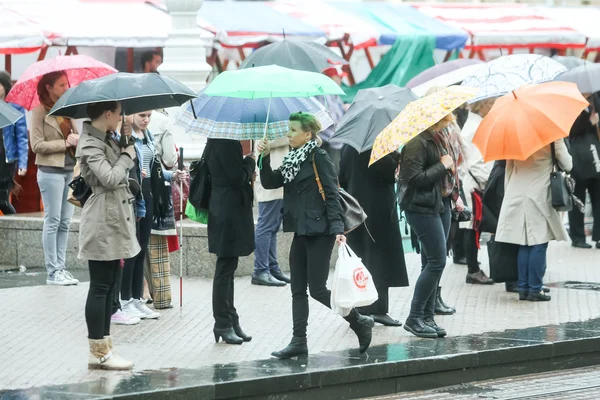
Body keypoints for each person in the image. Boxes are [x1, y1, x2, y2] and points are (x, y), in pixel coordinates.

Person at [258, 112, 374, 358]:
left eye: (292, 130)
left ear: (307, 133)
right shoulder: (292, 160)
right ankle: (299, 341)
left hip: (320, 232)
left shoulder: (318, 157)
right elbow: (270, 182)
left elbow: (332, 194)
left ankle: (359, 322)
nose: (288, 134)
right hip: (300, 231)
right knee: (297, 289)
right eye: (288, 129)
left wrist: (338, 231)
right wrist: (264, 156)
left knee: (318, 289)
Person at [77, 101, 139, 370]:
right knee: (101, 286)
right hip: (102, 219)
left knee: (111, 284)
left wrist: (124, 142)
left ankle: (105, 348)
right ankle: (98, 352)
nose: (121, 117)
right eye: (119, 112)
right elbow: (110, 178)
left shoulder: (108, 139)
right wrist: (126, 156)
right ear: (108, 113)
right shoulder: (90, 143)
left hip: (114, 218)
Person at [399, 113, 464, 339]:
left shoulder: (437, 136)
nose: (450, 116)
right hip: (421, 206)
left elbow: (446, 171)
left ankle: (427, 317)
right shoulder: (417, 141)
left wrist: (455, 194)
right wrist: (442, 165)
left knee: (432, 260)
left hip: (440, 202)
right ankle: (414, 317)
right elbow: (412, 179)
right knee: (437, 261)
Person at [339, 145, 408, 326]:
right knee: (379, 259)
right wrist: (395, 154)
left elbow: (342, 176)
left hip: (356, 209)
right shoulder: (378, 147)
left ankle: (360, 308)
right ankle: (377, 309)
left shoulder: (349, 146)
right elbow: (389, 173)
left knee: (361, 260)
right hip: (379, 209)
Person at [496, 139, 572, 302]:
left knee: (524, 242)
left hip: (516, 193)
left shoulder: (514, 137)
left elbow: (508, 170)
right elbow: (568, 164)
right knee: (539, 242)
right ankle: (535, 288)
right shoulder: (552, 136)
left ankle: (523, 288)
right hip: (539, 195)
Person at [120, 111, 172, 320]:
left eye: (149, 116)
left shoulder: (147, 135)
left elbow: (155, 168)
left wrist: (173, 175)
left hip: (148, 192)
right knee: (131, 251)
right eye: (142, 115)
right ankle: (125, 300)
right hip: (134, 195)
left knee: (141, 250)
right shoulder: (125, 137)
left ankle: (136, 298)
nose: (146, 119)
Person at [30, 71, 79, 286]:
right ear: (48, 87)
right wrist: (65, 143)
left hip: (70, 170)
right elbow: (37, 145)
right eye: (61, 85)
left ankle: (62, 267)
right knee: (53, 220)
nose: (65, 88)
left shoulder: (67, 110)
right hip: (50, 171)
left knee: (66, 222)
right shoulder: (39, 112)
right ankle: (53, 271)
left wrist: (77, 140)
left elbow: (75, 138)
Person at [206, 138, 255, 345]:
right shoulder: (226, 143)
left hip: (223, 207)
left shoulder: (215, 141)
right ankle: (223, 323)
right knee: (225, 268)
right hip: (228, 210)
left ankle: (230, 320)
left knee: (228, 267)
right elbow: (237, 177)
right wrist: (250, 161)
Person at [458, 99, 496, 285]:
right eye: (490, 105)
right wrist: (487, 181)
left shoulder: (475, 124)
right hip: (475, 184)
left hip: (474, 182)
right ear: (481, 105)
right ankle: (473, 269)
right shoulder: (475, 127)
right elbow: (475, 162)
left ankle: (473, 266)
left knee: (474, 226)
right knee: (473, 226)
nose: (492, 108)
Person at [252, 135, 290, 287]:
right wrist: (292, 135)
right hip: (269, 179)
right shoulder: (266, 118)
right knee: (266, 226)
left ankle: (272, 268)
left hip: (279, 179)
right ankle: (260, 270)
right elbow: (267, 142)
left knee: (273, 227)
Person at [567, 93, 600, 249]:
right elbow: (570, 129)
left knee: (598, 198)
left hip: (596, 156)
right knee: (577, 199)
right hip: (578, 158)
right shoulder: (569, 102)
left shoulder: (596, 98)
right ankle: (577, 237)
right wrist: (589, 121)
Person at [0, 71, 28, 215]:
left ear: (5, 87)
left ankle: (14, 226)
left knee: (2, 199)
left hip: (6, 160)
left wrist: (23, 163)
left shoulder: (15, 107)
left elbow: (22, 137)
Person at [317, 65, 346, 173]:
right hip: (329, 141)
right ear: (329, 79)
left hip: (337, 140)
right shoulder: (323, 95)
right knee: (334, 172)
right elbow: (329, 119)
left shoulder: (335, 95)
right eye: (337, 78)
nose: (340, 81)